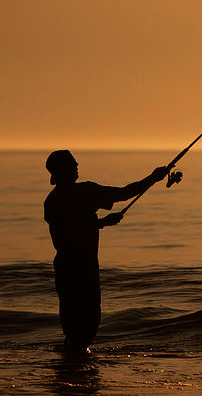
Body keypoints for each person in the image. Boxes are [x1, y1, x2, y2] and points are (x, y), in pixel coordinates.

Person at [43, 150, 168, 353]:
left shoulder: (51, 200)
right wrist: (153, 178)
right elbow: (124, 193)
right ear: (65, 169)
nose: (77, 165)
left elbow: (65, 233)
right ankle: (76, 362)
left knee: (71, 318)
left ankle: (71, 361)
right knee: (90, 317)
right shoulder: (84, 191)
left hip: (64, 265)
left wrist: (100, 223)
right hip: (83, 265)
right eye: (73, 163)